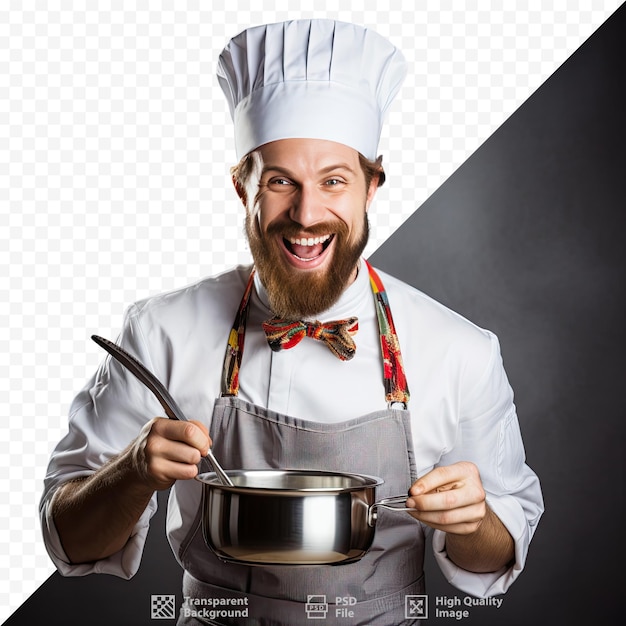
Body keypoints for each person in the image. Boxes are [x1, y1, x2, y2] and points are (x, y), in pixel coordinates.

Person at [40, 19, 543, 626]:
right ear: (240, 187)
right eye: (280, 182)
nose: (307, 214)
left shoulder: (458, 350)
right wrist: (132, 471)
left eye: (335, 181)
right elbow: (69, 539)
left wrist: (475, 519)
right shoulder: (161, 331)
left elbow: (499, 551)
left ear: (371, 188)